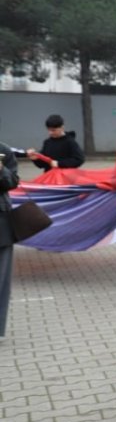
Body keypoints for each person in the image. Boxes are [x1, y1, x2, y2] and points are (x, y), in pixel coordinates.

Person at [0, 138, 19, 340]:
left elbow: (13, 181)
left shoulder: (4, 151)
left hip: (1, 221)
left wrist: (1, 170)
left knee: (1, 278)